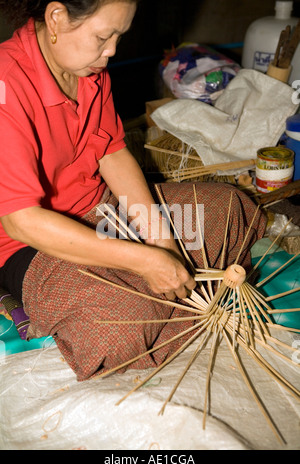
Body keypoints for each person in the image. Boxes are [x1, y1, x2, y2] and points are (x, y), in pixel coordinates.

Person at [0, 0, 266, 381]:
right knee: (115, 331)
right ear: (56, 18)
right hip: (33, 244)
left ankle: (159, 304)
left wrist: (161, 241)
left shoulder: (86, 68)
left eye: (118, 36)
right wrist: (144, 262)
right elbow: (22, 222)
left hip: (103, 214)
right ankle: (163, 303)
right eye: (103, 36)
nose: (111, 52)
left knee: (231, 210)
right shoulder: (6, 84)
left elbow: (111, 152)